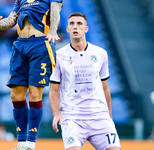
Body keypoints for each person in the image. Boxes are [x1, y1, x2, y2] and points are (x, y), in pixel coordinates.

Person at [0, 0, 63, 150]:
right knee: (16, 95)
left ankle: (30, 143)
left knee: (35, 93)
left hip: (41, 44)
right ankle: (21, 143)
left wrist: (53, 30)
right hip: (20, 45)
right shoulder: (20, 0)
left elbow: (55, 12)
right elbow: (12, 19)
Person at [49, 12, 121, 150]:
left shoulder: (100, 54)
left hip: (99, 115)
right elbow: (53, 91)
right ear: (67, 29)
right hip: (72, 117)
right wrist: (56, 113)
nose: (75, 27)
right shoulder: (58, 56)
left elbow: (105, 88)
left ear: (86, 29)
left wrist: (109, 116)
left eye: (79, 24)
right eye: (72, 24)